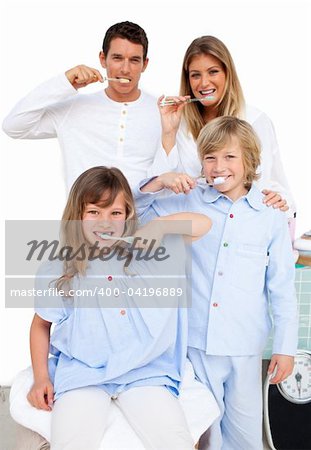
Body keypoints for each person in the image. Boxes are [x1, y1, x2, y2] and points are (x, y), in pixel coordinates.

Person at [134, 116, 298, 450]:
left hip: (244, 345)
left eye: (229, 157)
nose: (218, 166)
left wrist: (285, 346)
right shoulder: (190, 200)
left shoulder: (270, 217)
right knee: (205, 432)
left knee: (245, 436)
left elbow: (281, 288)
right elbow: (137, 214)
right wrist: (159, 181)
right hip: (196, 343)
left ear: (250, 161)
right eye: (210, 157)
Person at [27, 165, 213, 450]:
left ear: (127, 216)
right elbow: (41, 324)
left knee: (174, 441)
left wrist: (160, 226)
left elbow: (203, 224)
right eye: (94, 213)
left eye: (115, 213)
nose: (105, 223)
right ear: (77, 216)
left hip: (144, 372)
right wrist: (41, 378)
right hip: (84, 374)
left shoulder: (147, 251)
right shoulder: (58, 267)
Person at [2, 21, 160, 191]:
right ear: (103, 59)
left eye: (134, 60)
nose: (125, 69)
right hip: (82, 215)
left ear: (145, 64)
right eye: (117, 58)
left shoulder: (162, 111)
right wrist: (65, 82)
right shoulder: (74, 108)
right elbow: (13, 126)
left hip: (142, 215)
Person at [150, 35, 296, 217]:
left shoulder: (254, 120)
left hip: (239, 224)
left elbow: (269, 183)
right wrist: (169, 133)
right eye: (195, 75)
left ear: (228, 74)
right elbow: (158, 191)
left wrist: (278, 199)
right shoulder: (178, 123)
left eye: (213, 72)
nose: (204, 83)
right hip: (191, 229)